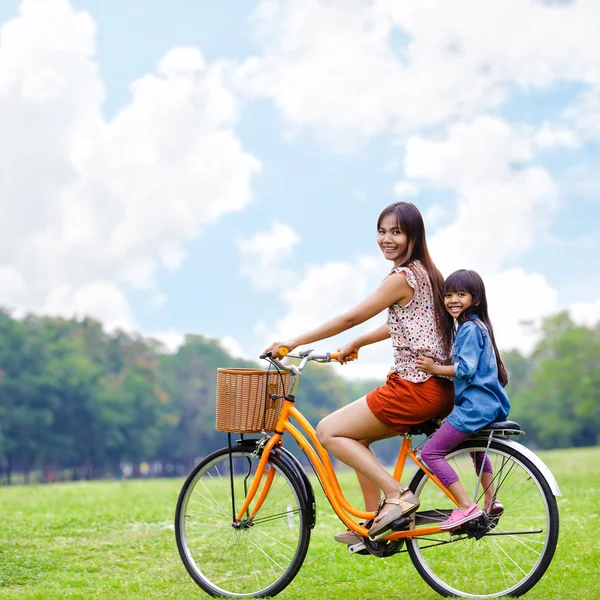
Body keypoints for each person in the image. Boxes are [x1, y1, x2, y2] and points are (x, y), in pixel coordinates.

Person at [263, 201, 454, 541]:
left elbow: (350, 316)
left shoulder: (402, 276)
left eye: (396, 232)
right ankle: (374, 526)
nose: (387, 239)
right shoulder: (429, 274)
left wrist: (291, 342)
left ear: (413, 235)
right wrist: (360, 343)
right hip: (437, 388)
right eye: (382, 232)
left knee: (328, 432)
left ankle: (397, 496)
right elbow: (401, 322)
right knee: (357, 437)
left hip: (414, 388)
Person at [416, 269, 510, 530]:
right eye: (448, 295)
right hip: (490, 405)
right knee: (477, 450)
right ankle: (492, 500)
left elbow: (465, 369)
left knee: (431, 452)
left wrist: (434, 369)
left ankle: (465, 506)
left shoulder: (468, 328)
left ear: (475, 298)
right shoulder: (479, 327)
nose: (453, 300)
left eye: (461, 294)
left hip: (475, 408)